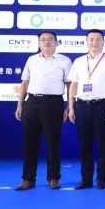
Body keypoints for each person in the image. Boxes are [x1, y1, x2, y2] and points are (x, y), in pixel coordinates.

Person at [14, 30, 71, 191]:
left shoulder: (64, 61)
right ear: (39, 43)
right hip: (32, 102)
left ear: (56, 42)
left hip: (53, 103)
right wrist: (20, 105)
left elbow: (69, 85)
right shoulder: (31, 60)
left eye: (50, 39)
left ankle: (53, 178)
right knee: (30, 142)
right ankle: (28, 179)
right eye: (43, 39)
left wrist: (69, 106)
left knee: (53, 142)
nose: (46, 42)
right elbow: (25, 83)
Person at [67, 29, 105, 190]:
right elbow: (73, 85)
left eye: (98, 39)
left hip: (102, 106)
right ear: (86, 41)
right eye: (91, 39)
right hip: (81, 105)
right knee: (85, 145)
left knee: (103, 145)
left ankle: (102, 179)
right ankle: (86, 180)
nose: (94, 42)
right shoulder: (78, 61)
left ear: (103, 42)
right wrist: (71, 108)